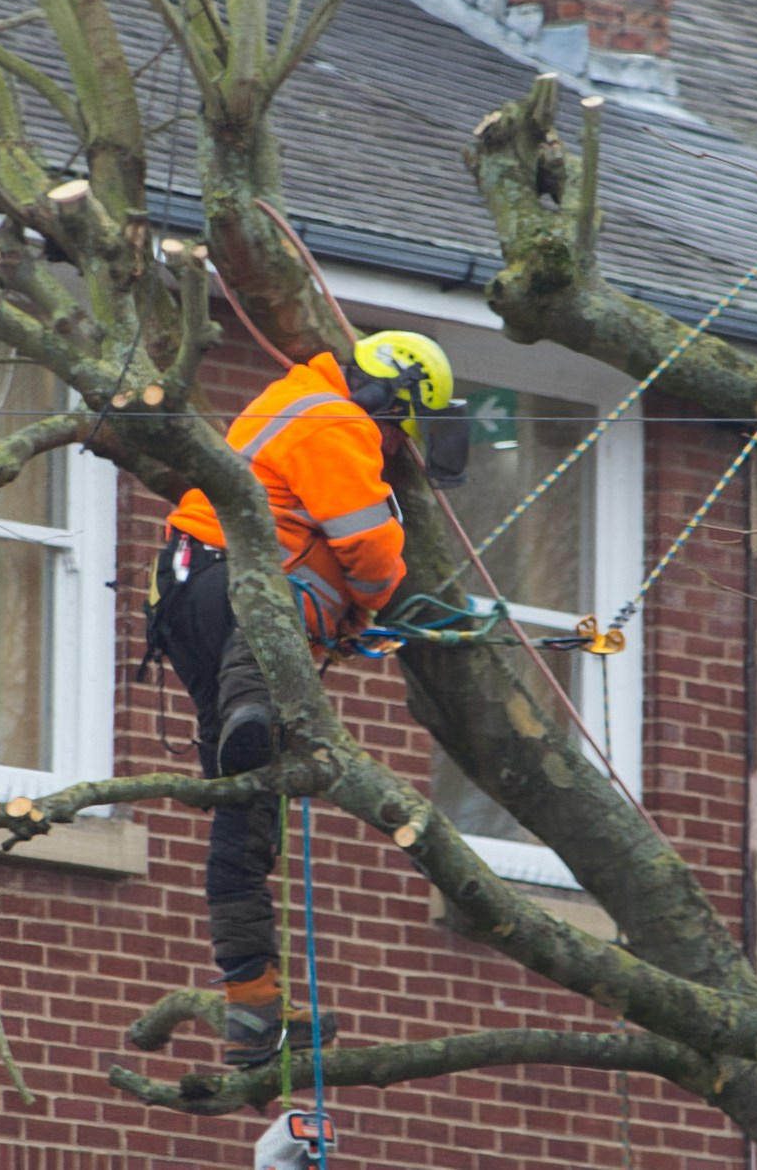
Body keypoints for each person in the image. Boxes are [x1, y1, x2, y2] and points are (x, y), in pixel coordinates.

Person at [144, 329, 453, 1068]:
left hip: (189, 601)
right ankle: (253, 716)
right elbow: (370, 545)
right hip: (237, 589)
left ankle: (252, 1007)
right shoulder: (335, 418)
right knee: (273, 631)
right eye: (398, 429)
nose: (394, 445)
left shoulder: (289, 400)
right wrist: (372, 606)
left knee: (247, 810)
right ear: (388, 396)